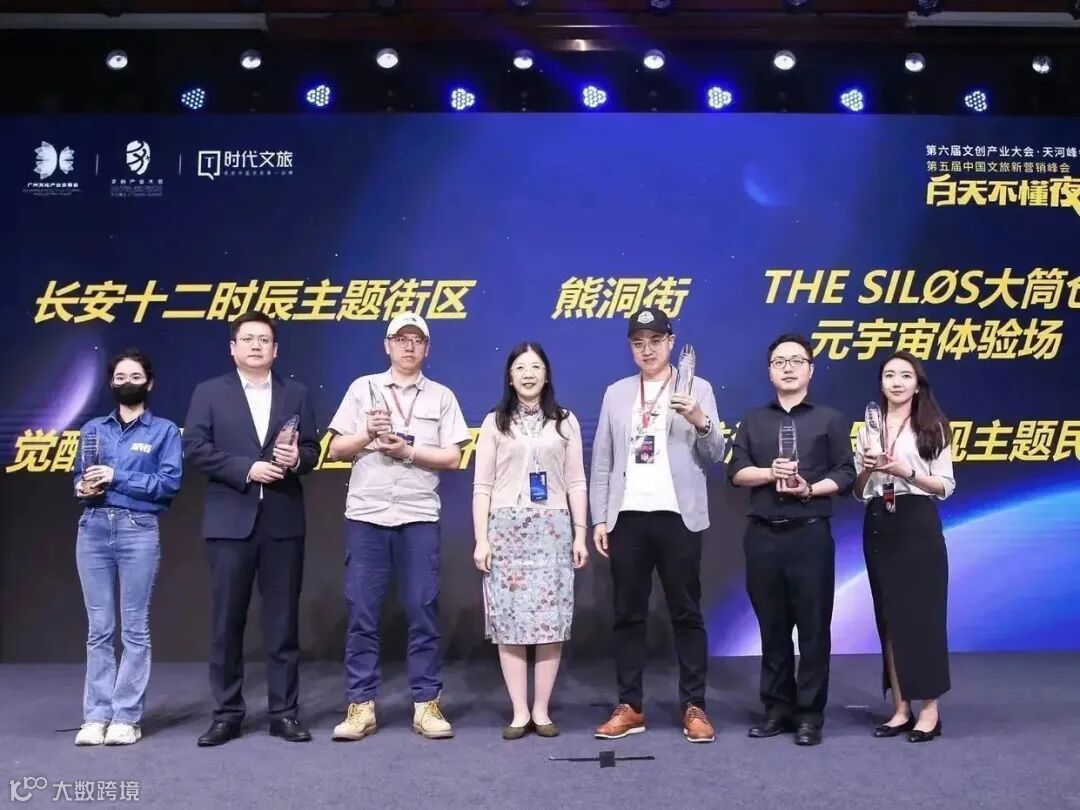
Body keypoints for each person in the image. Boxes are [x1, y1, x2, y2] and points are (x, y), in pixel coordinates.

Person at [327, 313, 471, 742]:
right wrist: (366, 435)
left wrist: (407, 451)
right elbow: (335, 448)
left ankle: (427, 705)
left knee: (423, 610)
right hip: (367, 514)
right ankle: (360, 706)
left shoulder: (441, 396)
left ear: (427, 348)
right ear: (387, 345)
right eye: (400, 338)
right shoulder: (362, 388)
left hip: (418, 515)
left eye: (417, 340)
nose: (409, 346)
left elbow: (453, 457)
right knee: (362, 613)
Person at [183, 311, 320, 746]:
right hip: (229, 522)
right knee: (227, 623)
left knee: (283, 625)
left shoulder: (296, 393)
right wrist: (247, 469)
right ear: (233, 348)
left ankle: (284, 713)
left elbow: (312, 450)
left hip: (283, 522)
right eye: (248, 339)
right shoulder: (209, 392)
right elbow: (194, 448)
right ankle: (227, 714)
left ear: (275, 350)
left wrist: (295, 460)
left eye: (264, 339)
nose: (256, 345)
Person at [590, 307, 726, 744]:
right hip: (627, 516)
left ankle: (694, 706)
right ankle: (630, 706)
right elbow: (602, 461)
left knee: (686, 612)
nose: (647, 350)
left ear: (671, 342)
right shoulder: (616, 393)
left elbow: (716, 454)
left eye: (655, 340)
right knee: (628, 615)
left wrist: (700, 420)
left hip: (678, 516)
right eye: (638, 343)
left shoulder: (697, 388)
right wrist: (600, 517)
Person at [728, 333, 855, 747]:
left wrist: (809, 489)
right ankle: (777, 708)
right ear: (769, 371)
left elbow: (846, 473)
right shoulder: (753, 420)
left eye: (796, 361)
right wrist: (771, 473)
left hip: (810, 534)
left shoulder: (830, 419)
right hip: (763, 535)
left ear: (810, 369)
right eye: (779, 361)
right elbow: (737, 472)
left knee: (814, 629)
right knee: (772, 628)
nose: (788, 368)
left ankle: (810, 715)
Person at [472, 342, 589, 740]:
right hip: (505, 530)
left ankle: (542, 710)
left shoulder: (565, 421)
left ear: (546, 374)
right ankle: (519, 711)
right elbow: (482, 486)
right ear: (510, 377)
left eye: (535, 366)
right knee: (511, 622)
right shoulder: (494, 422)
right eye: (520, 367)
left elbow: (576, 481)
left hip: (552, 529)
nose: (528, 374)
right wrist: (481, 539)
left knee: (549, 622)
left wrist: (580, 533)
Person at [72, 349, 183, 746]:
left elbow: (168, 484)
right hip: (93, 527)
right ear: (111, 383)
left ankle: (125, 716)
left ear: (149, 383)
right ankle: (95, 715)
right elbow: (79, 477)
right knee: (99, 629)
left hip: (138, 529)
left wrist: (116, 476)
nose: (127, 382)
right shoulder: (92, 429)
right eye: (120, 377)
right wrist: (82, 487)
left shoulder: (164, 431)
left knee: (134, 628)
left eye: (135, 376)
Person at [855, 350, 955, 743]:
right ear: (881, 383)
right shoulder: (868, 427)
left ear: (917, 384)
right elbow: (859, 491)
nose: (897, 382)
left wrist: (906, 471)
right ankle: (900, 709)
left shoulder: (932, 425)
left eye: (905, 376)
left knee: (923, 618)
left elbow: (944, 485)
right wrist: (868, 468)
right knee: (889, 618)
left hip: (917, 520)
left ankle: (929, 711)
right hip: (880, 520)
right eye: (889, 375)